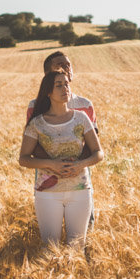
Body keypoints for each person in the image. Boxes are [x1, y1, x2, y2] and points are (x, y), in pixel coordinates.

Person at [19, 69, 104, 247]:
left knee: (77, 247)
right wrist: (51, 164)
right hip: (47, 194)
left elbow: (98, 152)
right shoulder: (37, 123)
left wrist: (81, 164)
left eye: (66, 84)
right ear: (48, 92)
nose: (65, 88)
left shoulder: (81, 118)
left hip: (80, 190)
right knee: (50, 249)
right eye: (59, 85)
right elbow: (24, 158)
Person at [26, 51, 98, 227]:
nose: (67, 68)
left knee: (85, 223)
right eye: (60, 64)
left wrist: (75, 165)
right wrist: (54, 165)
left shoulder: (85, 104)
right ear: (48, 74)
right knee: (50, 224)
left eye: (68, 64)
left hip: (79, 171)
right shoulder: (35, 106)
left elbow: (93, 140)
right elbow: (33, 142)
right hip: (47, 172)